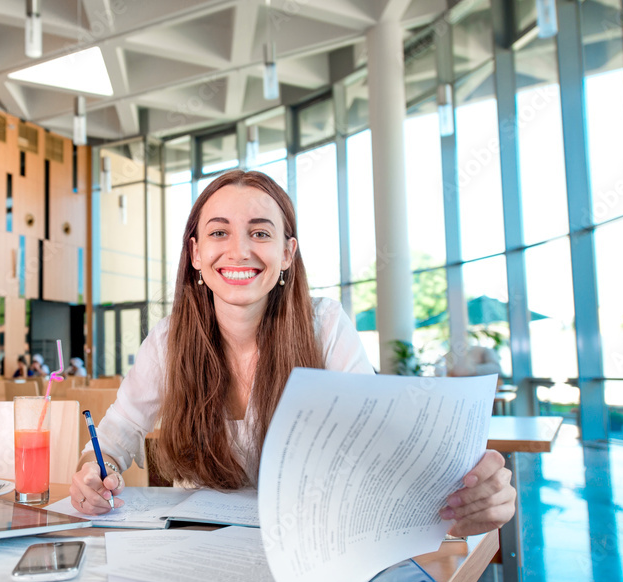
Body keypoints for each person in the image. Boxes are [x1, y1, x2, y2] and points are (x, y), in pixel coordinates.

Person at [70, 170, 515, 538]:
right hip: (196, 545)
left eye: (260, 232)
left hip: (312, 544)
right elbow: (114, 437)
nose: (239, 249)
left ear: (287, 253)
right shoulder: (168, 341)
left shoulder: (325, 326)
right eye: (218, 232)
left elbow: (385, 443)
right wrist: (95, 471)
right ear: (196, 254)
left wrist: (465, 499)